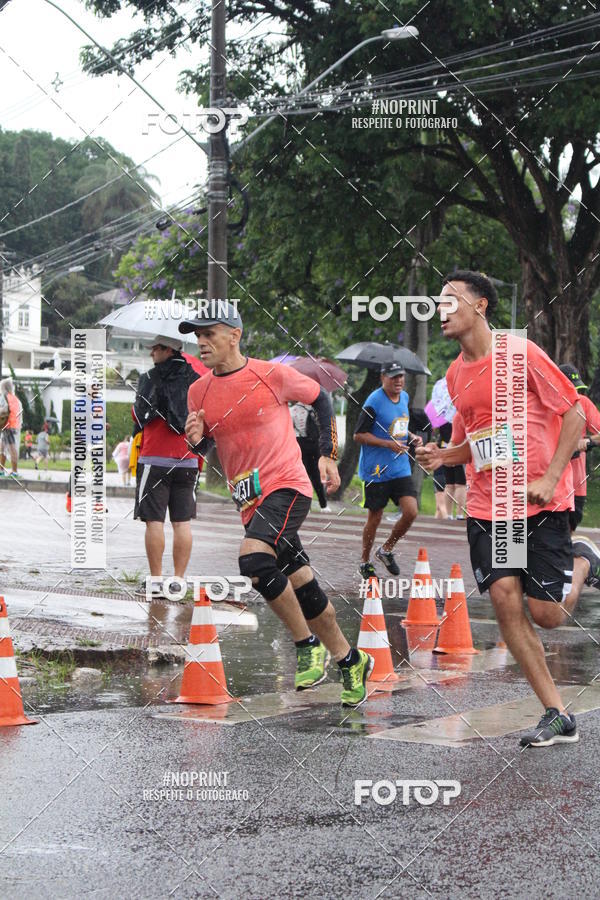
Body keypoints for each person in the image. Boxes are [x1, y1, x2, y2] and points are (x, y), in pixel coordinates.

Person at [416, 269, 600, 749]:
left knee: (548, 615)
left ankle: (582, 561)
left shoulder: (521, 353)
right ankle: (556, 713)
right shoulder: (455, 374)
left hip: (540, 504)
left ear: (480, 306)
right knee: (503, 596)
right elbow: (471, 446)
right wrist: (441, 457)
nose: (442, 311)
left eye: (451, 301)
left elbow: (575, 412)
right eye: (438, 304)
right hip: (490, 507)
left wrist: (551, 475)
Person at [182, 306, 373, 707]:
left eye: (209, 333)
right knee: (302, 583)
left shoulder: (270, 374)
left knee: (254, 562)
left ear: (234, 334)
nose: (201, 341)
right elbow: (209, 446)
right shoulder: (198, 391)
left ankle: (306, 644)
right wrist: (196, 440)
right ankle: (350, 659)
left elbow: (321, 400)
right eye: (196, 334)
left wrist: (326, 454)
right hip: (249, 500)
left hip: (287, 484)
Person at [133, 335, 201, 599]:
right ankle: (178, 582)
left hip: (155, 459)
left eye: (157, 348)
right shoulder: (196, 379)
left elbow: (138, 414)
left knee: (154, 522)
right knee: (182, 523)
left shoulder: (149, 378)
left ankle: (157, 581)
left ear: (170, 349)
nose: (152, 353)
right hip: (188, 459)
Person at [353, 362, 420, 579]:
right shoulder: (373, 402)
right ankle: (365, 560)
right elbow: (359, 435)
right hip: (376, 470)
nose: (399, 380)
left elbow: (398, 424)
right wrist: (388, 444)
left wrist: (411, 437)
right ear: (383, 377)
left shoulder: (405, 398)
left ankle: (386, 550)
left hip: (400, 467)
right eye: (393, 377)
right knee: (376, 516)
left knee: (411, 511)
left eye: (401, 376)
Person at [558, 364, 600, 531]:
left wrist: (587, 441)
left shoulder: (583, 403)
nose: (574, 394)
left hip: (576, 487)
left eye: (577, 389)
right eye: (569, 388)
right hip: (551, 486)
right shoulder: (545, 404)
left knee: (567, 537)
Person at [290, 401, 332, 512]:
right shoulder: (317, 408)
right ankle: (323, 505)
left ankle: (304, 506)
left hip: (300, 445)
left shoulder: (293, 410)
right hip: (315, 446)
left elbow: (289, 430)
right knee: (317, 476)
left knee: (302, 476)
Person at [0, 378, 23, 477]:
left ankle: (14, 471)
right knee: (3, 447)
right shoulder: (15, 399)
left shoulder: (4, 397)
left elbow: (2, 411)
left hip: (7, 426)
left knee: (10, 448)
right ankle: (2, 469)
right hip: (14, 426)